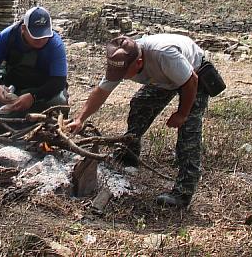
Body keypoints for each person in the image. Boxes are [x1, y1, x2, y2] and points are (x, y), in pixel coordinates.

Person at [67, 33, 212, 208]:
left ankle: (183, 192)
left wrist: (182, 114)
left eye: (123, 73)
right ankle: (129, 155)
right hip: (163, 79)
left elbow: (191, 81)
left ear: (139, 62)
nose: (120, 76)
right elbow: (102, 91)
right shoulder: (120, 60)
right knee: (140, 104)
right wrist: (80, 119)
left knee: (189, 131)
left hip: (193, 75)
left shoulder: (165, 54)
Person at [0, 6, 68, 136]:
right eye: (35, 36)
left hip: (43, 87)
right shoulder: (7, 35)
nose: (41, 40)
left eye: (44, 36)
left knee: (59, 101)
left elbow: (58, 82)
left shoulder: (56, 44)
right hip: (13, 79)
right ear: (24, 29)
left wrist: (33, 96)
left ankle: (43, 134)